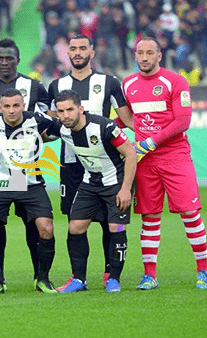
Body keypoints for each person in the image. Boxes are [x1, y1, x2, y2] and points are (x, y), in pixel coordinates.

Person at [122, 37, 207, 290]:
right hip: (145, 162)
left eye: (150, 53)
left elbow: (182, 121)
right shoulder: (128, 84)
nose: (145, 57)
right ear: (135, 55)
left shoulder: (175, 81)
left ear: (159, 56)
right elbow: (125, 117)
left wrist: (150, 142)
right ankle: (149, 275)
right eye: (140, 53)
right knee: (149, 217)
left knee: (190, 214)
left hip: (175, 156)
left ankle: (203, 270)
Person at [46, 34, 131, 291]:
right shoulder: (56, 85)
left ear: (92, 52)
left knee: (112, 221)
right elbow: (52, 124)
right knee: (75, 223)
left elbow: (127, 119)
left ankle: (110, 274)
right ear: (67, 53)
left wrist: (108, 136)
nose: (78, 52)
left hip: (108, 162)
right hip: (74, 167)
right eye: (73, 48)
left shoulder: (109, 82)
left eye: (83, 48)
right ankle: (78, 277)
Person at [0, 38, 51, 291]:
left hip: (29, 170)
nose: (4, 62)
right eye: (0, 58)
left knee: (35, 224)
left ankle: (40, 277)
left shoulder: (35, 87)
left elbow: (48, 121)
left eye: (9, 58)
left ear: (18, 59)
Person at [0, 88, 57, 295]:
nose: (12, 111)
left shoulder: (36, 120)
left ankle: (43, 279)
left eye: (16, 106)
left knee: (46, 228)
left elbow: (60, 126)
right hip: (0, 184)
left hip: (31, 183)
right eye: (7, 106)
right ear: (0, 108)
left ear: (23, 105)